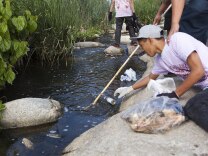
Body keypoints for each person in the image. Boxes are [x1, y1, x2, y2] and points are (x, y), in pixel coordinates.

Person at [114, 25, 208, 131]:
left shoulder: (177, 40)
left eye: (141, 45)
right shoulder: (160, 60)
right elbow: (150, 77)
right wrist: (130, 88)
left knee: (193, 106)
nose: (142, 49)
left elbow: (198, 71)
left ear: (149, 39)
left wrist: (175, 94)